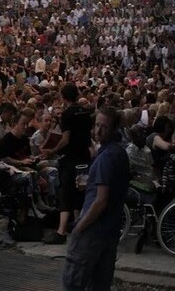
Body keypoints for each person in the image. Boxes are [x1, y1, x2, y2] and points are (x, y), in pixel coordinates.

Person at [63, 108, 129, 291]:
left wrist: (79, 226)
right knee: (100, 283)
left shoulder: (106, 158)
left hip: (94, 230)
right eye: (97, 125)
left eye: (104, 127)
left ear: (114, 128)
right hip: (111, 230)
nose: (98, 131)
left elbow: (101, 201)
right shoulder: (119, 152)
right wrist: (90, 183)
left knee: (73, 282)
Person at [44, 84, 93, 244]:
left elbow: (65, 139)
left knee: (66, 193)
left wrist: (53, 150)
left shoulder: (67, 114)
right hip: (85, 157)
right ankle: (79, 226)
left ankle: (61, 231)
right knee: (81, 190)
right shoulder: (86, 112)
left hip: (71, 158)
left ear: (63, 96)